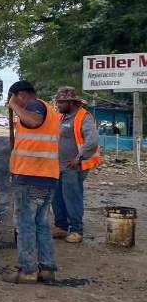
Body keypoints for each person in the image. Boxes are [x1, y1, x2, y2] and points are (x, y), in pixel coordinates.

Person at [4, 80, 62, 285]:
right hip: (46, 176)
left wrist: (14, 106)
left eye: (12, 97)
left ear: (21, 95)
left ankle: (28, 270)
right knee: (41, 225)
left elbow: (33, 121)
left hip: (31, 177)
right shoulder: (49, 110)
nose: (10, 101)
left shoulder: (35, 106)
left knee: (25, 224)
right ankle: (46, 268)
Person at [51, 86, 100, 243]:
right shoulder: (61, 117)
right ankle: (61, 227)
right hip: (58, 166)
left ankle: (77, 230)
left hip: (74, 167)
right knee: (57, 197)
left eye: (60, 103)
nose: (57, 105)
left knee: (72, 197)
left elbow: (92, 141)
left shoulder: (84, 117)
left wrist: (79, 158)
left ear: (70, 102)